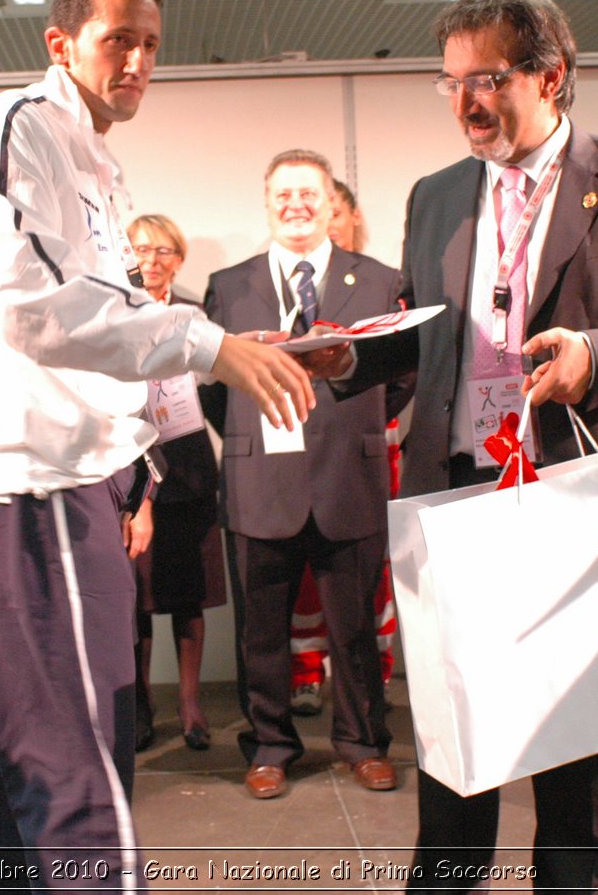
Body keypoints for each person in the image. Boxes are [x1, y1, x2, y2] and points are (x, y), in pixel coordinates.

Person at [312, 0, 598, 890]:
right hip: (459, 493)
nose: (467, 100)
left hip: (578, 494)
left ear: (553, 75)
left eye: (489, 78)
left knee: (576, 749)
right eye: (451, 81)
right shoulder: (434, 197)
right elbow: (430, 343)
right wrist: (346, 359)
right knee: (456, 743)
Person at [0, 0, 314, 888]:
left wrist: (213, 346)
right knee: (81, 771)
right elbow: (32, 307)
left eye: (151, 45)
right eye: (117, 41)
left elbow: (97, 317)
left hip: (59, 482)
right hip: (32, 487)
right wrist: (207, 344)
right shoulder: (20, 129)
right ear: (61, 43)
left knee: (0, 762)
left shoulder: (96, 158)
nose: (137, 61)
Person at [203, 150, 411, 800]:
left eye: (309, 193)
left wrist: (355, 424)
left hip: (349, 477)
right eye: (283, 194)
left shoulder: (379, 281)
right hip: (259, 480)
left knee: (354, 629)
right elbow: (212, 386)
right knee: (259, 633)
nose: (296, 204)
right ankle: (269, 745)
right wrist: (247, 429)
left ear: (333, 205)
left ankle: (363, 742)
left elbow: (403, 376)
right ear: (267, 204)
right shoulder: (228, 286)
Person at [288, 179, 400, 717]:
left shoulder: (382, 281)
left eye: (335, 211)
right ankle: (306, 673)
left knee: (368, 578)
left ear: (353, 217)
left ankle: (369, 682)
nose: (325, 221)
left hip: (370, 449)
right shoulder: (286, 281)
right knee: (305, 581)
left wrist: (371, 418)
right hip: (295, 453)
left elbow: (405, 370)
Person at [125, 213, 226, 752]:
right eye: (142, 250)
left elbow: (213, 385)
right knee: (134, 600)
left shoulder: (194, 315)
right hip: (130, 462)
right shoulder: (111, 313)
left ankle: (190, 703)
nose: (152, 261)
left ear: (179, 260)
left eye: (164, 251)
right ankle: (138, 707)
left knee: (188, 594)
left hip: (187, 461)